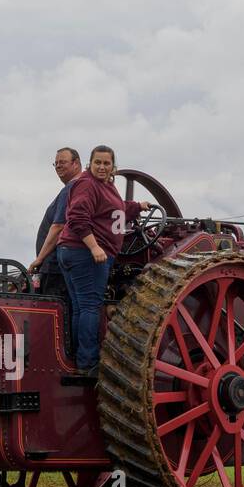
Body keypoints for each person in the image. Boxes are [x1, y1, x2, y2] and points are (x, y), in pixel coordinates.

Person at [55, 145, 148, 376]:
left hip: (72, 251)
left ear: (113, 166)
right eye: (98, 162)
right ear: (90, 163)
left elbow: (115, 210)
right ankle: (88, 364)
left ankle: (78, 360)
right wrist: (95, 247)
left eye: (106, 163)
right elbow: (77, 218)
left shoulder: (107, 186)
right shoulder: (87, 184)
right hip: (84, 253)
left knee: (80, 307)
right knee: (90, 307)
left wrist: (138, 207)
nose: (102, 167)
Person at [29, 147, 83, 296]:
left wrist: (39, 259)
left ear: (76, 163)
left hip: (55, 268)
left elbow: (59, 226)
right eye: (56, 163)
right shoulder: (79, 188)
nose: (58, 165)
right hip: (59, 265)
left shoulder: (71, 188)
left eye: (63, 162)